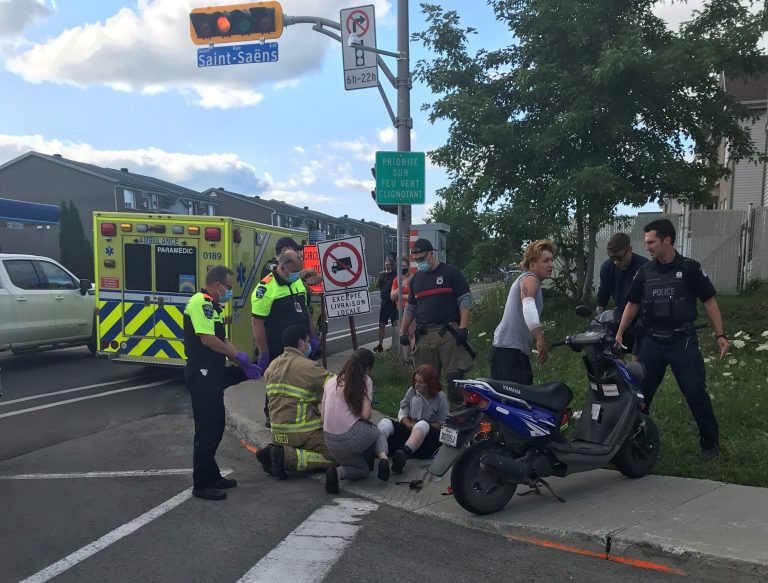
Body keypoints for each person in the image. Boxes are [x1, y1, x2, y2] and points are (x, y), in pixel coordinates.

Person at [616, 219, 729, 460]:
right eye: (646, 242)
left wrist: (720, 334)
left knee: (695, 392)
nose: (647, 247)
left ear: (667, 240)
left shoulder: (690, 268)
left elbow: (709, 300)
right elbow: (632, 303)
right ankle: (635, 442)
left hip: (681, 341)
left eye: (651, 242)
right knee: (639, 394)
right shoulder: (645, 272)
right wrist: (620, 331)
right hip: (652, 341)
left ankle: (710, 443)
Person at [183, 265, 260, 501]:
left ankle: (212, 475)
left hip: (212, 373)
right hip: (202, 373)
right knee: (207, 428)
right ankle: (201, 484)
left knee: (216, 426)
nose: (229, 291)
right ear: (217, 285)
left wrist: (241, 361)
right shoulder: (201, 303)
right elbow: (208, 339)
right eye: (228, 287)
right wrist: (237, 356)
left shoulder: (213, 306)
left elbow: (223, 339)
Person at [398, 238, 473, 404]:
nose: (419, 263)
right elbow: (411, 307)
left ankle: (457, 409)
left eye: (422, 259)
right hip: (425, 334)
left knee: (455, 376)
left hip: (448, 332)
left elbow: (464, 299)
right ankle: (429, 412)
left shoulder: (451, 272)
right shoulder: (416, 280)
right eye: (416, 260)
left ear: (431, 254)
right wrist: (402, 331)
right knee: (425, 379)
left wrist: (463, 327)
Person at [255, 325, 335, 479]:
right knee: (336, 454)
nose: (309, 345)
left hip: (277, 433)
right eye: (308, 341)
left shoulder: (272, 366)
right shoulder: (309, 367)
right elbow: (336, 386)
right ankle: (287, 458)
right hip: (302, 433)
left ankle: (274, 452)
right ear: (301, 343)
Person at [252, 249, 318, 426]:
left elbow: (305, 311)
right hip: (278, 344)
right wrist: (264, 352)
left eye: (299, 271)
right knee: (278, 381)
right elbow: (257, 323)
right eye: (295, 271)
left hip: (300, 344)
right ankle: (272, 414)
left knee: (300, 379)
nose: (298, 274)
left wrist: (312, 336)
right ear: (282, 267)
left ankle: (299, 412)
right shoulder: (265, 288)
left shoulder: (296, 282)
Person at [321, 348, 390, 494]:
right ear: (368, 368)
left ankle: (336, 473)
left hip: (330, 440)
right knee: (378, 432)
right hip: (351, 435)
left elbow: (322, 417)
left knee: (362, 469)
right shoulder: (365, 381)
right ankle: (383, 459)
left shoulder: (330, 381)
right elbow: (366, 415)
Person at [489, 240, 557, 385]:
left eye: (551, 260)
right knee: (517, 398)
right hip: (508, 353)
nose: (551, 264)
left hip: (511, 351)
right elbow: (528, 306)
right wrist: (540, 339)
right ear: (532, 265)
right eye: (545, 261)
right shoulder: (530, 279)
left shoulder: (530, 280)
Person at [377, 364, 449, 473]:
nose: (416, 385)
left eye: (421, 382)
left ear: (430, 383)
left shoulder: (441, 397)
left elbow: (443, 423)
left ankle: (404, 454)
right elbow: (403, 411)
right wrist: (408, 424)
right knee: (385, 422)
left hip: (428, 438)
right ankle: (382, 457)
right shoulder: (412, 391)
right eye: (415, 381)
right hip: (410, 429)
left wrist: (419, 426)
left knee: (422, 424)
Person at [596, 232, 649, 356]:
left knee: (638, 357)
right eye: (612, 258)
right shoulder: (606, 268)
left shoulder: (644, 267)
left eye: (619, 258)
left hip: (642, 317)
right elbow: (603, 291)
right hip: (621, 312)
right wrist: (599, 309)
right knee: (612, 351)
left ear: (630, 250)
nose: (616, 262)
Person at [391, 259, 415, 358]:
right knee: (403, 335)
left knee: (412, 334)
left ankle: (414, 358)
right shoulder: (397, 280)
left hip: (412, 310)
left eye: (404, 266)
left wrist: (401, 296)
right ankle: (407, 359)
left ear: (408, 266)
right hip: (400, 310)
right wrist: (400, 287)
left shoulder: (414, 278)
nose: (402, 268)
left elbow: (414, 296)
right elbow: (392, 296)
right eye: (400, 266)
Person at [373, 258, 398, 353]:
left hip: (392, 303)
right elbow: (376, 285)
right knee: (381, 324)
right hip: (384, 304)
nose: (387, 266)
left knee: (395, 324)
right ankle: (380, 345)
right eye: (386, 265)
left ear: (393, 265)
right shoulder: (384, 275)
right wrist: (380, 276)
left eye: (389, 265)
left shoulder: (395, 275)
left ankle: (394, 345)